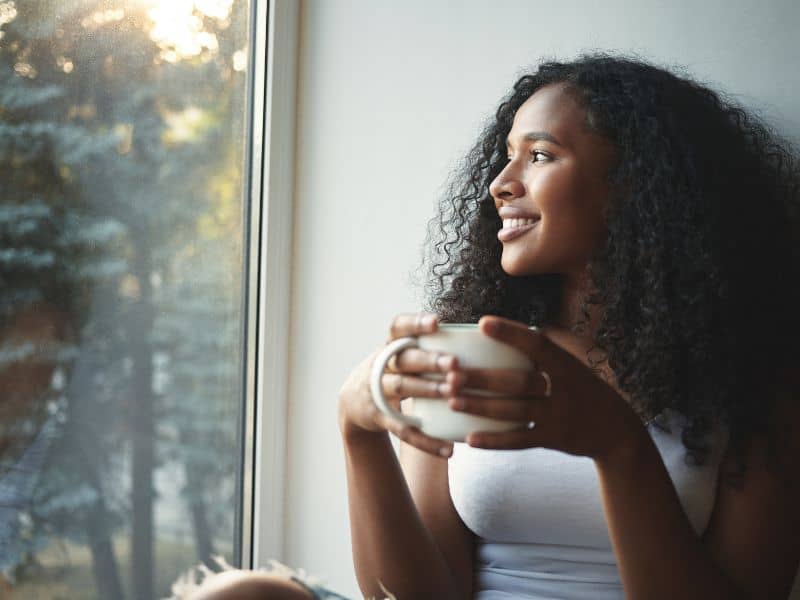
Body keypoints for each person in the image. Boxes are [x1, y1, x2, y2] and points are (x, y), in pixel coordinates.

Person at [185, 54, 800, 599]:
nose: (500, 186)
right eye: (506, 158)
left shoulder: (753, 383)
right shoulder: (479, 349)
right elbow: (409, 597)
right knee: (242, 594)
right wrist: (357, 430)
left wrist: (619, 447)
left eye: (539, 156)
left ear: (638, 184)